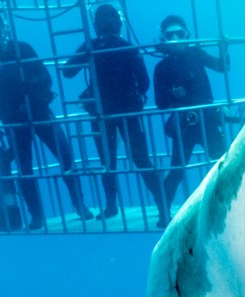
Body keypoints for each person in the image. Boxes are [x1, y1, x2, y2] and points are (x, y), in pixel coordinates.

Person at [0, 6, 91, 229]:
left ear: (4, 29)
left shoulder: (22, 49)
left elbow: (46, 79)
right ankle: (36, 215)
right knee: (25, 168)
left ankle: (79, 204)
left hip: (39, 111)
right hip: (12, 119)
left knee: (65, 153)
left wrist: (16, 79)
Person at [62, 4, 169, 228]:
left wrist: (88, 55)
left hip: (103, 114)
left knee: (107, 162)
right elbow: (145, 82)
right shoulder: (127, 47)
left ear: (96, 25)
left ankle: (112, 206)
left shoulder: (91, 46)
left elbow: (68, 71)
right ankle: (162, 206)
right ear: (118, 23)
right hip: (128, 112)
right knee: (140, 160)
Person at [153, 15, 229, 213]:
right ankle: (163, 212)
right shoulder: (161, 67)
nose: (176, 38)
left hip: (208, 121)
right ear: (163, 38)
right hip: (184, 126)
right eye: (171, 34)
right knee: (177, 172)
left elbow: (223, 66)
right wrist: (172, 94)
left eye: (180, 33)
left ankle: (227, 204)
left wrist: (223, 47)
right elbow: (160, 103)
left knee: (224, 164)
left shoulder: (196, 54)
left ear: (187, 34)